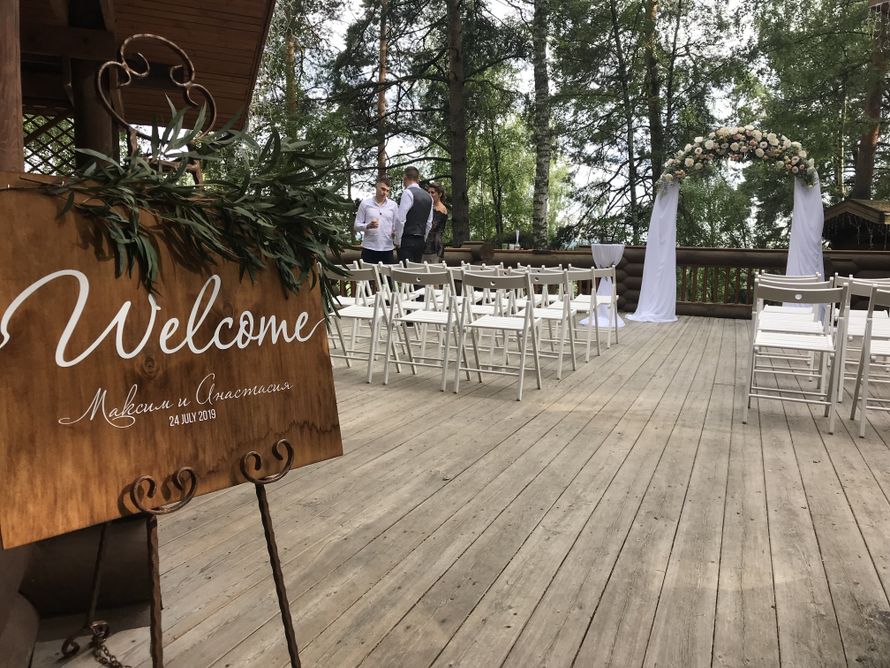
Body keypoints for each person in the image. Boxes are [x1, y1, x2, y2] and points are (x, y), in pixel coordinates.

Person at [354, 177, 398, 264]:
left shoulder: (393, 205)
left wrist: (395, 234)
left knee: (387, 273)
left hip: (387, 248)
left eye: (387, 191)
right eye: (383, 189)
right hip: (369, 248)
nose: (385, 193)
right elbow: (356, 226)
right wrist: (367, 226)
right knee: (369, 273)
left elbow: (396, 226)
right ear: (376, 187)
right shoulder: (365, 204)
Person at [394, 166, 433, 263]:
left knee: (404, 269)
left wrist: (398, 240)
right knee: (416, 269)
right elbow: (429, 223)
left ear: (405, 178)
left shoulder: (408, 193)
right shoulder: (429, 197)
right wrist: (424, 238)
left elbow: (401, 219)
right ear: (418, 179)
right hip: (420, 240)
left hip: (407, 239)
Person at [422, 182, 449, 264]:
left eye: (432, 192)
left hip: (434, 246)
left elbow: (433, 226)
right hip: (426, 245)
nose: (430, 195)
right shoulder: (431, 206)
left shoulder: (441, 209)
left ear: (440, 194)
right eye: (428, 192)